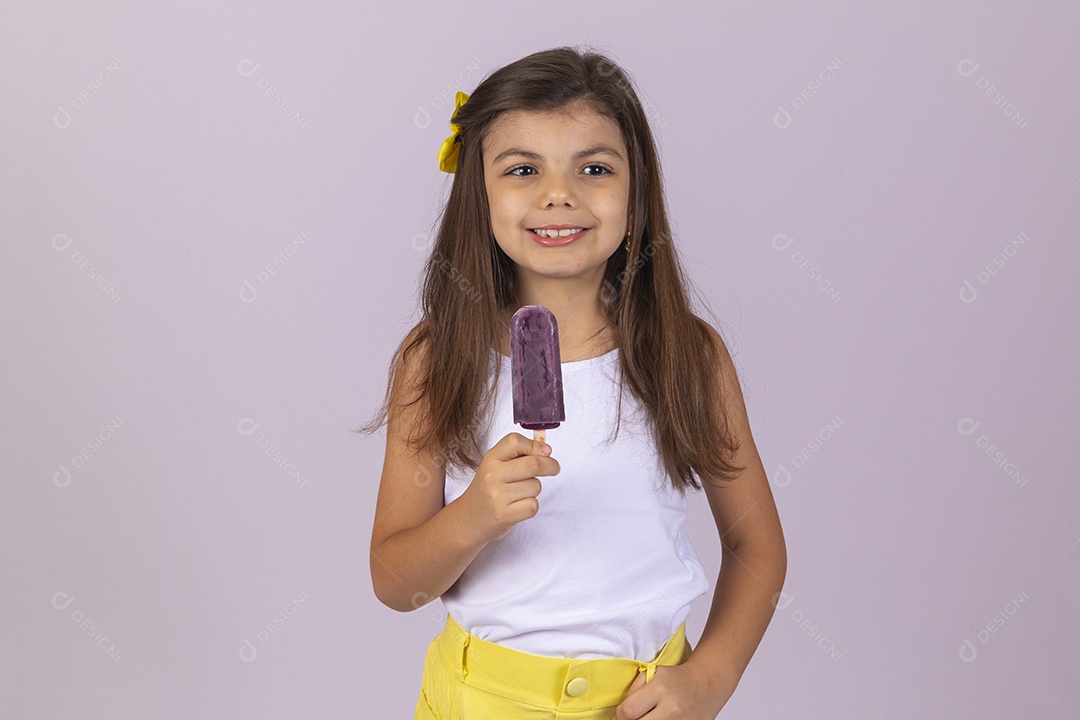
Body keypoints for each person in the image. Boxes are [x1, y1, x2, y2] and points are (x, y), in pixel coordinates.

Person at [359, 45, 787, 720]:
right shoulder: (437, 360)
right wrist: (472, 518)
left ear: (636, 188)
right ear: (480, 192)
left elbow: (756, 544)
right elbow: (395, 585)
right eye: (522, 169)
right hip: (480, 703)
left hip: (644, 702)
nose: (559, 194)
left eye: (593, 167)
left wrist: (711, 679)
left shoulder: (687, 357)